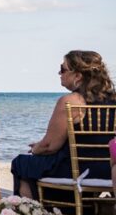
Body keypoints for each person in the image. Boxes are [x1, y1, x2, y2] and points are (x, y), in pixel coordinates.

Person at [12, 50, 116, 199]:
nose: (59, 73)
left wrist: (36, 148)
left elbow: (49, 146)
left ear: (78, 76)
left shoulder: (72, 101)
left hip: (77, 170)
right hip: (108, 170)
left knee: (21, 163)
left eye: (63, 69)